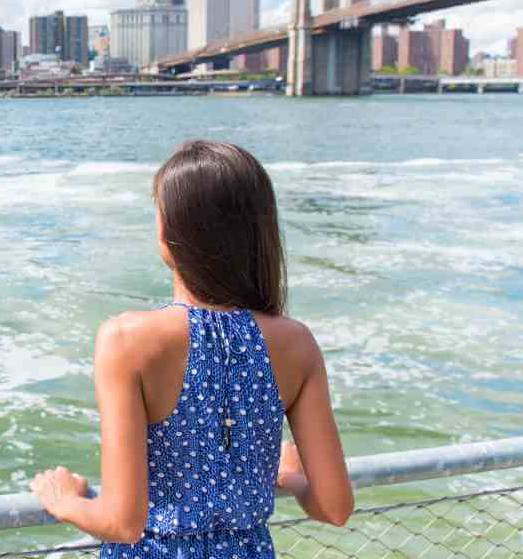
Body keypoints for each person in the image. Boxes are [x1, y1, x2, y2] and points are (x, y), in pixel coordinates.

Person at [31, 140, 353, 558]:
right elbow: (335, 507)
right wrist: (291, 477)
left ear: (170, 233)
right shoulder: (296, 344)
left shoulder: (127, 340)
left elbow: (123, 523)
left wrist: (63, 500)